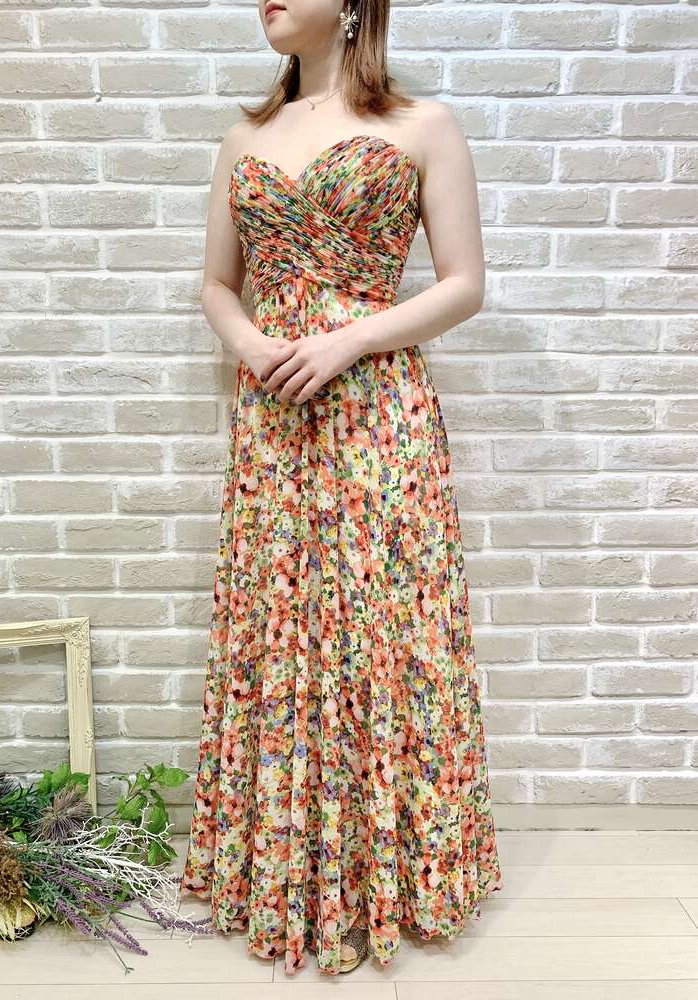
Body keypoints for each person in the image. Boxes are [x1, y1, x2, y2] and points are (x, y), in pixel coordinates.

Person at [180, 0, 503, 977]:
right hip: (276, 412)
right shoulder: (244, 136)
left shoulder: (422, 125)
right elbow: (217, 284)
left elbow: (463, 282)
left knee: (379, 631)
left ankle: (380, 882)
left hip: (377, 411)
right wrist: (252, 344)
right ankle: (287, 874)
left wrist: (350, 338)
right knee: (281, 627)